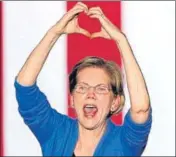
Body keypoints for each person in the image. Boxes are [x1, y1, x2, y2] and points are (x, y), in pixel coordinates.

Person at [14, 2, 152, 156]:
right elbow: (24, 86)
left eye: (101, 88)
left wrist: (121, 40)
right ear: (72, 99)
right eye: (82, 88)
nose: (90, 94)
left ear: (115, 102)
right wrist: (54, 33)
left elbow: (141, 110)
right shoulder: (57, 132)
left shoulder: (123, 143)